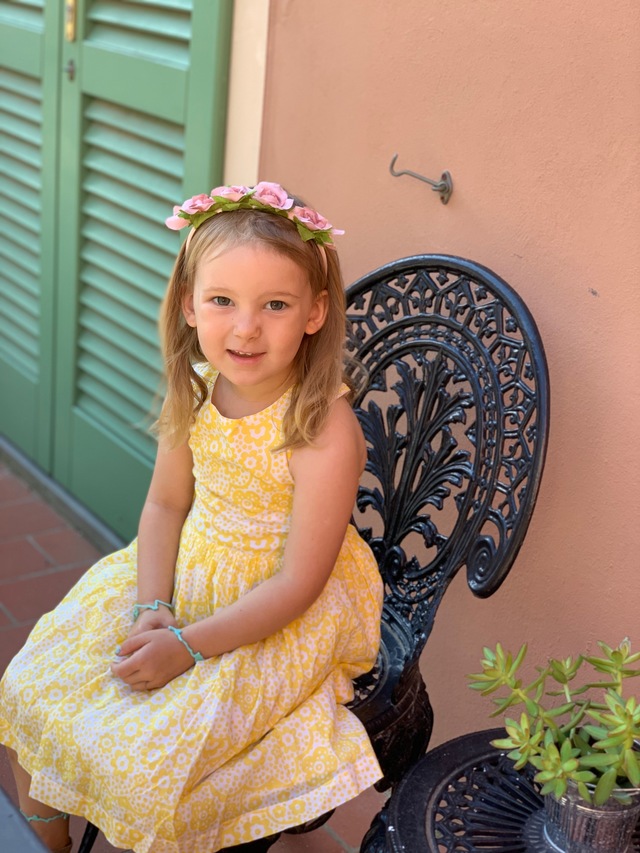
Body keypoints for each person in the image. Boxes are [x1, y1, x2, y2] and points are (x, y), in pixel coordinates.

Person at [0, 182, 384, 853]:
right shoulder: (200, 388)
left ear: (315, 312)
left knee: (150, 767)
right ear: (188, 304)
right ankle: (49, 839)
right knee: (35, 684)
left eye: (275, 304)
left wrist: (189, 644)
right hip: (183, 570)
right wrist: (153, 602)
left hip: (275, 605)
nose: (245, 327)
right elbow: (166, 503)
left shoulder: (324, 430)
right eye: (223, 300)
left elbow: (298, 583)